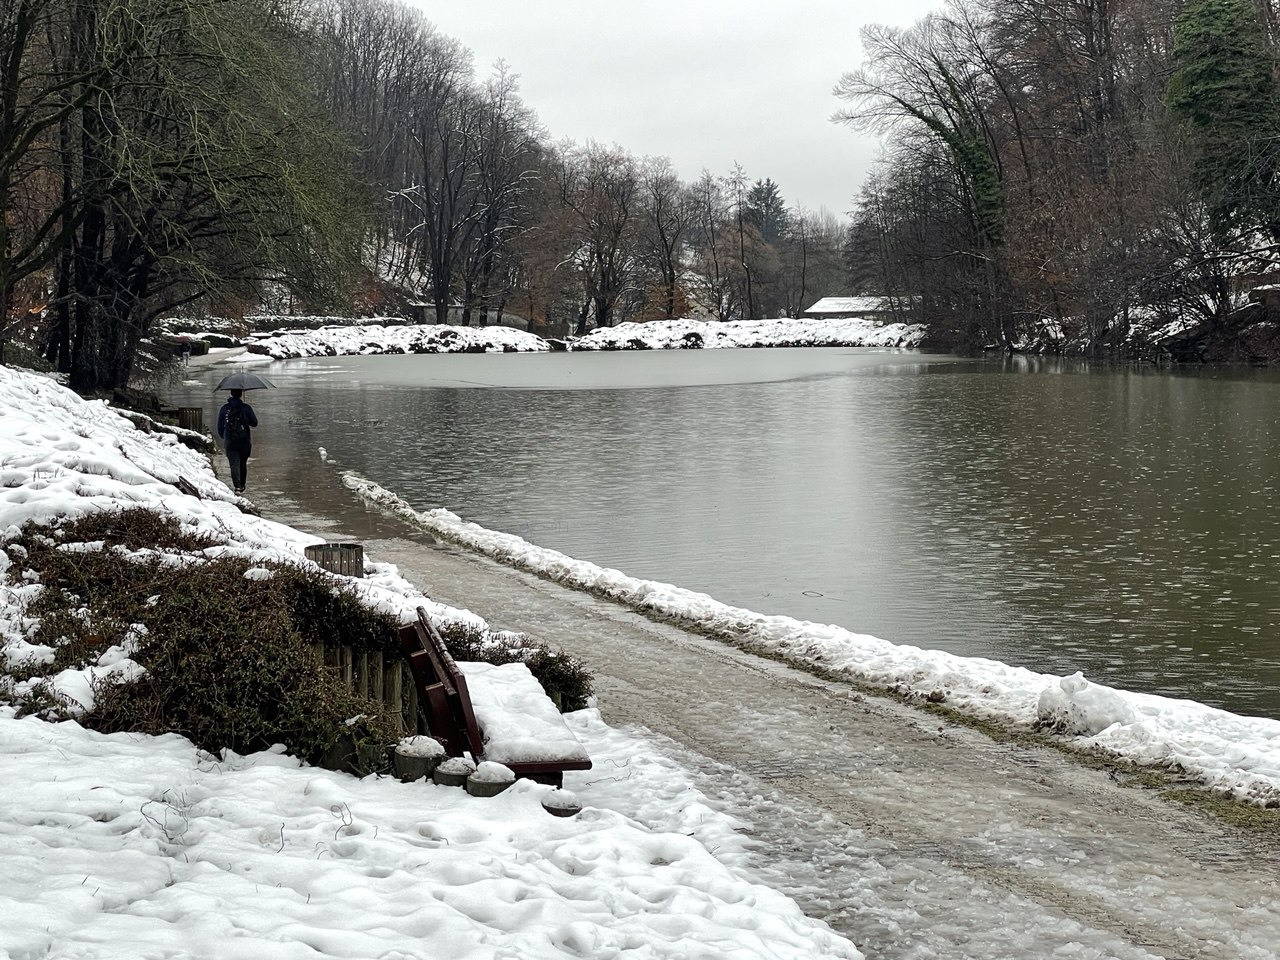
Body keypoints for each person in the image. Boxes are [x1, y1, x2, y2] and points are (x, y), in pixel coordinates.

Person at [216, 388, 259, 495]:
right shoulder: (246, 408)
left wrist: (224, 436)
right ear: (241, 394)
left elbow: (220, 427)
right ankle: (243, 485)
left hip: (230, 440)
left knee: (234, 463)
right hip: (244, 440)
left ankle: (237, 487)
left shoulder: (224, 409)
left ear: (231, 393)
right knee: (243, 463)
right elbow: (254, 423)